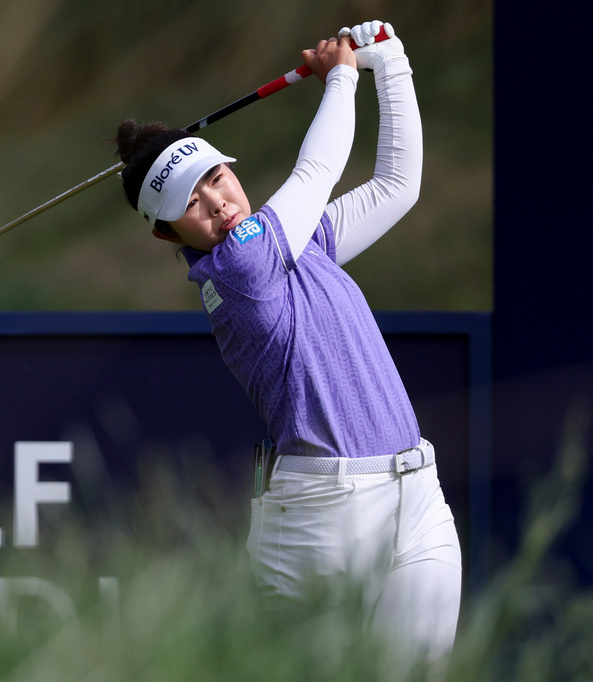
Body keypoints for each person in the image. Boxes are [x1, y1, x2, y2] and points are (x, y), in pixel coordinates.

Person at [114, 21, 462, 672]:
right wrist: (340, 76)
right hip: (322, 518)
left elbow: (397, 186)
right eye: (193, 203)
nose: (218, 203)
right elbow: (318, 171)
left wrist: (390, 62)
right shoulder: (238, 271)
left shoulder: (303, 244)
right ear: (168, 236)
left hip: (418, 495)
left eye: (217, 178)